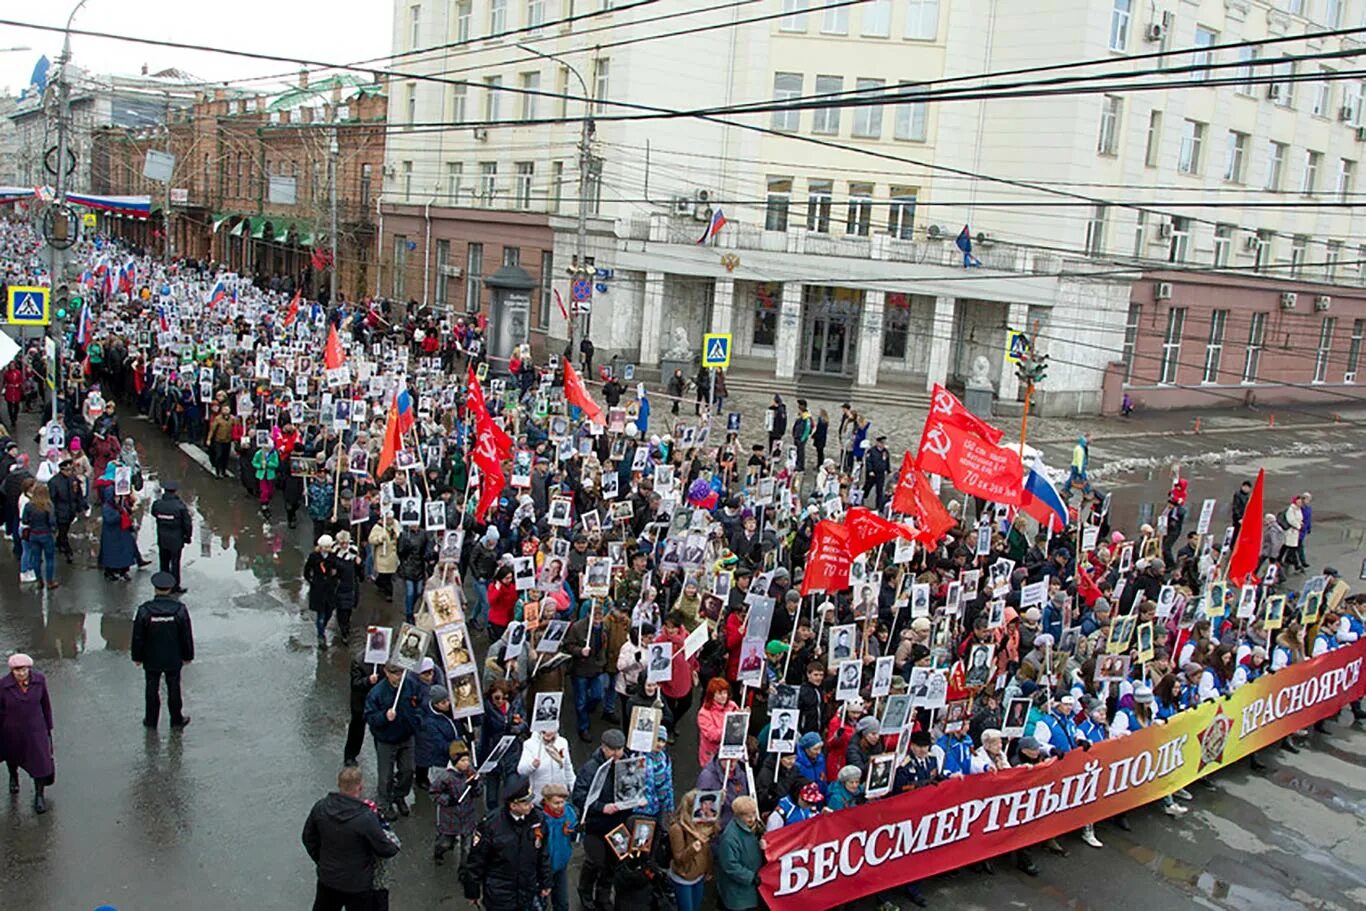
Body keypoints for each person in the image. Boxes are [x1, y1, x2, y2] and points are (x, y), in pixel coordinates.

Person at [301, 766, 401, 911]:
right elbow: (386, 849)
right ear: (360, 787)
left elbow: (308, 838)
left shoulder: (321, 807)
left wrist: (321, 860)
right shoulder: (365, 817)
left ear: (339, 784)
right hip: (358, 884)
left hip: (328, 878)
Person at [461, 773, 553, 911]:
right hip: (500, 895)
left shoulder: (537, 819)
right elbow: (476, 861)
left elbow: (543, 853)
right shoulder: (491, 825)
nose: (531, 806)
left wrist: (546, 882)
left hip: (527, 890)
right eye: (526, 802)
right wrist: (472, 892)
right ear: (513, 805)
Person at [130, 572, 195, 729]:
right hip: (173, 657)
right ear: (170, 588)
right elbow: (186, 635)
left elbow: (138, 636)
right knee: (174, 688)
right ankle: (176, 719)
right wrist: (188, 656)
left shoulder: (145, 611)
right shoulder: (179, 610)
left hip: (151, 658)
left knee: (151, 688)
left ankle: (151, 720)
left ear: (155, 588)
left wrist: (137, 657)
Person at [363, 662, 424, 820]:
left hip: (406, 736)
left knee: (408, 770)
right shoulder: (377, 693)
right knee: (385, 776)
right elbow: (370, 717)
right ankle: (384, 804)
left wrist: (417, 721)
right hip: (386, 740)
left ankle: (400, 795)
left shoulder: (410, 685)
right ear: (386, 672)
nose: (399, 676)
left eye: (401, 672)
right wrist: (384, 716)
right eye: (395, 673)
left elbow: (419, 705)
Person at [1, 653, 55, 813]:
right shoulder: (3, 686)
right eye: (17, 670)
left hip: (35, 729)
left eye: (24, 669)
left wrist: (48, 727)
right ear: (12, 671)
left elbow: (45, 704)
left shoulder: (39, 681)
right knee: (12, 755)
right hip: (12, 729)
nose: (21, 673)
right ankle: (13, 776)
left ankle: (39, 795)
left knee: (39, 762)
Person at [428, 741, 480, 867]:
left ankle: (463, 871)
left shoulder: (471, 774)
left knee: (467, 848)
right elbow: (433, 793)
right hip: (450, 818)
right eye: (462, 761)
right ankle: (438, 852)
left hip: (468, 816)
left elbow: (478, 792)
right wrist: (447, 800)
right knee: (445, 843)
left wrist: (475, 787)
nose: (466, 763)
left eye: (467, 760)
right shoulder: (445, 777)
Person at [669, 789, 717, 911]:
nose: (707, 807)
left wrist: (708, 869)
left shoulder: (701, 822)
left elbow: (707, 851)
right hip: (684, 877)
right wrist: (692, 850)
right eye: (703, 804)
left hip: (699, 875)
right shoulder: (677, 829)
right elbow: (679, 859)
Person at [716, 795, 764, 911]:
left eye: (753, 813)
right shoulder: (730, 837)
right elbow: (730, 865)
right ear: (738, 815)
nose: (752, 818)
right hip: (738, 895)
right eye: (747, 815)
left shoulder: (756, 828)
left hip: (749, 889)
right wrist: (751, 877)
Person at [151, 479, 192, 593]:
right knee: (175, 563)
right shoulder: (180, 507)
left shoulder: (158, 504)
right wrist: (187, 537)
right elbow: (187, 524)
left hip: (162, 538)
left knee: (163, 562)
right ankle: (175, 586)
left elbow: (154, 513)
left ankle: (163, 585)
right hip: (176, 539)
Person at [20, 481, 58, 590]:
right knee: (49, 559)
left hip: (33, 534)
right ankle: (50, 581)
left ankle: (39, 580)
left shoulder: (29, 505)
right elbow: (52, 521)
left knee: (36, 559)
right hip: (46, 534)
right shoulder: (48, 505)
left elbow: (24, 520)